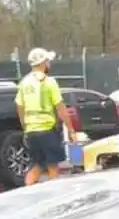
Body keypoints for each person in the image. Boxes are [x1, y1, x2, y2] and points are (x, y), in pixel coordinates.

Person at [15, 49, 76, 185]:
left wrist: (25, 127)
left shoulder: (24, 83)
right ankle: (54, 197)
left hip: (31, 132)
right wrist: (71, 130)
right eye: (48, 61)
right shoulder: (50, 82)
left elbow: (19, 106)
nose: (49, 64)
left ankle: (27, 191)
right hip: (47, 130)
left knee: (37, 165)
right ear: (43, 63)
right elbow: (61, 108)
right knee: (52, 166)